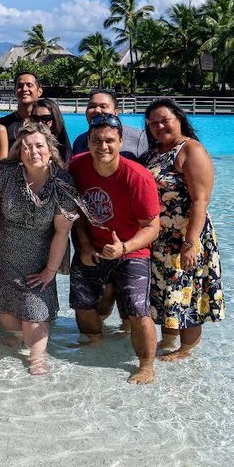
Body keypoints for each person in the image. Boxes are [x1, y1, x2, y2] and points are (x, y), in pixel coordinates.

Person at [69, 113, 162, 385]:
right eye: (96, 140)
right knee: (82, 303)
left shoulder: (138, 177)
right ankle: (96, 344)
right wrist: (84, 245)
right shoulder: (78, 165)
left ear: (121, 141)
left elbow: (152, 227)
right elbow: (74, 211)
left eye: (110, 140)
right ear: (88, 141)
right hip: (93, 246)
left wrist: (124, 247)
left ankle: (146, 365)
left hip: (131, 250)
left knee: (138, 310)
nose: (103, 146)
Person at [0, 122, 79, 375]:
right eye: (26, 147)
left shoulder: (63, 182)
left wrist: (50, 270)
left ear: (50, 149)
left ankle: (37, 358)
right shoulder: (3, 173)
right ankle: (16, 336)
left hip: (40, 258)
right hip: (3, 254)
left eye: (39, 145)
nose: (33, 151)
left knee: (35, 314)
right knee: (2, 310)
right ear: (18, 151)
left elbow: (62, 231)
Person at [142, 98, 224, 360]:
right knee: (168, 290)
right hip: (160, 237)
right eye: (153, 123)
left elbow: (201, 200)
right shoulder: (155, 151)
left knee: (189, 292)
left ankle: (186, 350)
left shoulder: (191, 150)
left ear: (179, 119)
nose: (159, 126)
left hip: (185, 235)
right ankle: (170, 339)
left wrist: (190, 243)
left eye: (164, 120)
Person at [71, 89, 149, 159]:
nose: (97, 110)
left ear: (116, 112)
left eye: (103, 106)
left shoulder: (139, 138)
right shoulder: (80, 141)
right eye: (92, 106)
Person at [0, 71, 43, 141]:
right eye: (20, 86)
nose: (24, 89)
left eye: (29, 85)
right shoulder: (2, 125)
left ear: (39, 91)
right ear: (15, 92)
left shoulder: (48, 121)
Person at [31, 96, 73, 163]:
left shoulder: (63, 149)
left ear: (55, 119)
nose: (40, 123)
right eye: (35, 118)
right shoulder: (25, 143)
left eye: (46, 118)